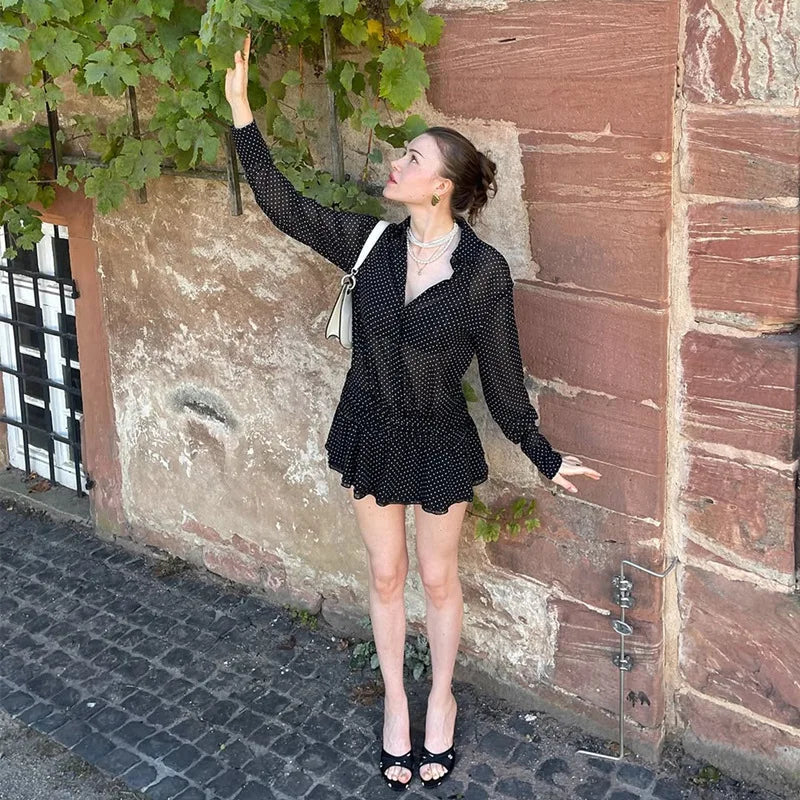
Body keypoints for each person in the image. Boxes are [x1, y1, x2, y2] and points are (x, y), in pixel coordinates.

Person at [225, 31, 601, 791]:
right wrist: (241, 113)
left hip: (437, 439)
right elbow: (284, 206)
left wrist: (543, 454)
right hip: (369, 426)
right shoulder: (369, 245)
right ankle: (397, 702)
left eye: (412, 159)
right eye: (402, 155)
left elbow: (500, 380)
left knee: (436, 579)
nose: (395, 164)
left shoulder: (484, 275)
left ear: (442, 187)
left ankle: (440, 698)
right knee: (387, 573)